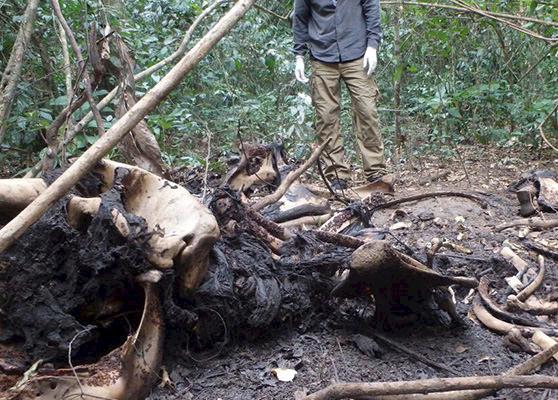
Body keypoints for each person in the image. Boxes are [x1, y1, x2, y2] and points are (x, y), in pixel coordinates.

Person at [292, 0, 387, 190]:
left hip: (357, 52)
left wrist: (373, 46)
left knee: (367, 111)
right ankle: (336, 174)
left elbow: (371, 8)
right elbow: (300, 17)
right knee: (326, 117)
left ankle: (376, 172)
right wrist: (299, 55)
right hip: (322, 56)